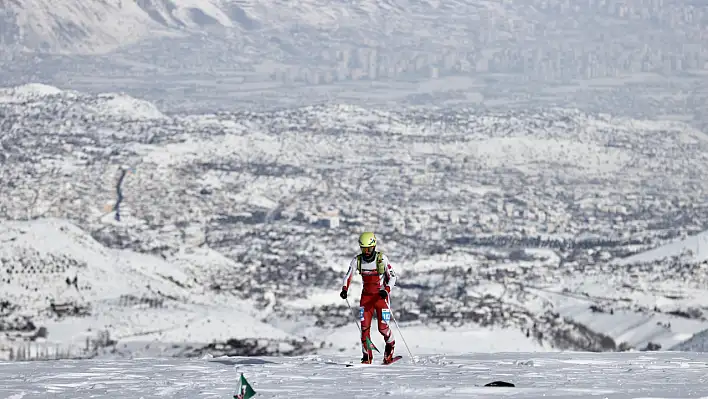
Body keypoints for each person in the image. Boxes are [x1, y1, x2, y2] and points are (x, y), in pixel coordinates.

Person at [339, 231, 397, 364]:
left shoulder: (382, 259)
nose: (366, 252)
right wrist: (344, 289)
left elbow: (393, 277)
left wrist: (386, 290)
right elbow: (349, 275)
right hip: (366, 299)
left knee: (383, 328)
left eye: (369, 249)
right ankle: (367, 358)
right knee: (364, 329)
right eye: (363, 248)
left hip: (381, 299)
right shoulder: (357, 260)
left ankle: (390, 346)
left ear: (374, 246)